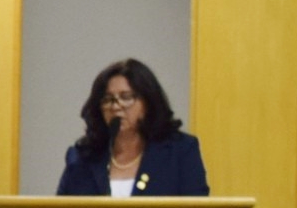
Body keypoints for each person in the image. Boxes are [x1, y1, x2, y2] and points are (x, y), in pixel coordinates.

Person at [55, 59, 207, 197]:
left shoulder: (180, 151)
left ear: (148, 102)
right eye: (107, 99)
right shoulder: (82, 158)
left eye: (126, 97)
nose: (115, 107)